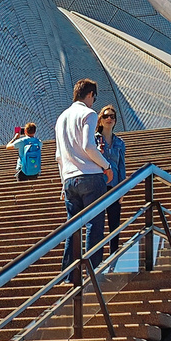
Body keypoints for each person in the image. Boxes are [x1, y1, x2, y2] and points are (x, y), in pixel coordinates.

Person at [55, 78, 114, 279]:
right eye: (93, 98)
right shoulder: (88, 114)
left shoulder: (61, 118)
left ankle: (69, 275)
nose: (93, 102)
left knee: (73, 227)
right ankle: (92, 272)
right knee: (94, 225)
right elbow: (89, 146)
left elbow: (58, 156)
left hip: (69, 179)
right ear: (89, 95)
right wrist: (107, 166)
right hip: (90, 176)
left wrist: (64, 181)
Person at [95, 105, 126, 239]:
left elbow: (121, 167)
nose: (109, 119)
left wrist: (122, 189)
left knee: (114, 225)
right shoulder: (93, 140)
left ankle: (114, 256)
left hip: (114, 186)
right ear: (100, 120)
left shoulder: (120, 143)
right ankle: (96, 257)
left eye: (112, 116)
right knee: (97, 225)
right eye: (105, 116)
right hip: (97, 186)